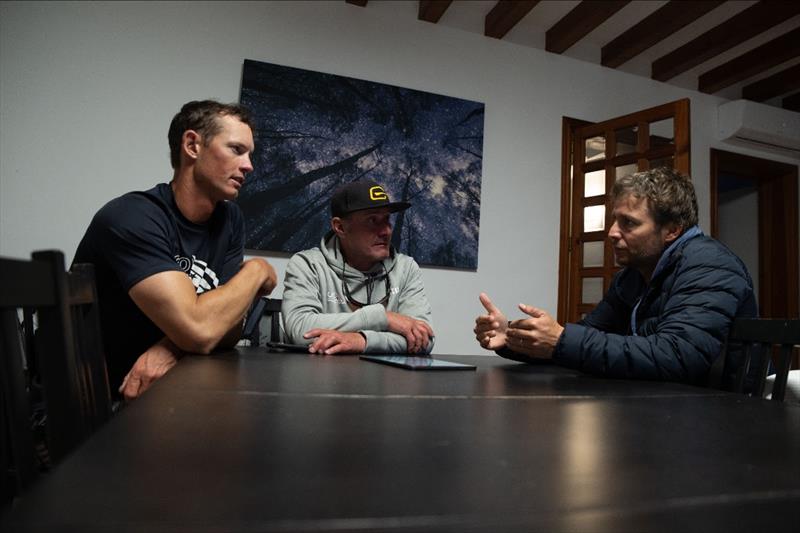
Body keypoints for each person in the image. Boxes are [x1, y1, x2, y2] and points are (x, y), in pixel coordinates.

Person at [474, 167, 757, 386]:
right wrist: (510, 335)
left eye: (629, 223)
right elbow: (591, 335)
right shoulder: (632, 275)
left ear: (672, 230)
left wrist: (560, 341)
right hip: (662, 405)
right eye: (614, 220)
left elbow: (679, 357)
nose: (611, 232)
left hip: (724, 416)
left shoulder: (710, 265)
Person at [73, 100, 277, 400]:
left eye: (250, 154)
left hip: (171, 387)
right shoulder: (132, 216)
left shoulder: (229, 219)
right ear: (192, 145)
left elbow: (227, 329)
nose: (249, 165)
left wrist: (170, 346)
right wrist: (257, 270)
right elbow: (201, 330)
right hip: (103, 399)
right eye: (236, 149)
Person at [282, 180, 434, 355]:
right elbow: (300, 330)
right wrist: (383, 318)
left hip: (388, 380)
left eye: (387, 220)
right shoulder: (308, 264)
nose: (386, 231)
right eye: (373, 220)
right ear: (340, 227)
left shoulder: (406, 268)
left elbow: (424, 340)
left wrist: (361, 341)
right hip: (322, 378)